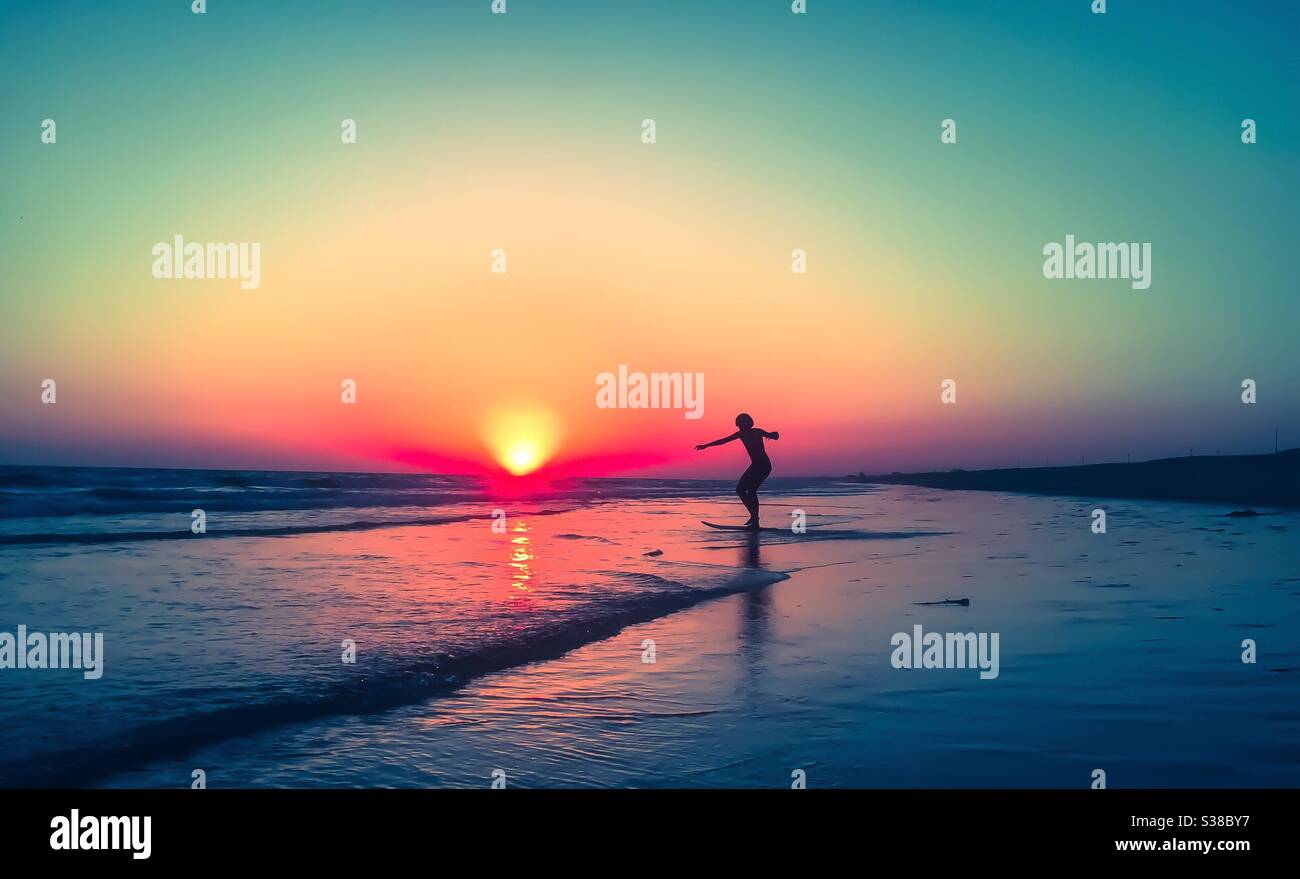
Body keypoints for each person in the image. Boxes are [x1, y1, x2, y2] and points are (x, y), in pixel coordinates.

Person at [695, 413, 779, 528]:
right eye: (739, 426)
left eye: (740, 425)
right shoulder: (741, 434)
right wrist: (706, 445)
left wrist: (774, 434)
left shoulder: (757, 431)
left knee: (745, 490)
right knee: (745, 490)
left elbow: (774, 435)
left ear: (745, 424)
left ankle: (754, 519)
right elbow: (722, 441)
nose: (739, 427)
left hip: (763, 465)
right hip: (757, 465)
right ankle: (755, 520)